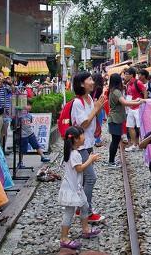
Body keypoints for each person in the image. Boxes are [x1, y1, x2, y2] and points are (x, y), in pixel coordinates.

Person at [70, 71, 107, 223]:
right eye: (89, 79)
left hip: (88, 143)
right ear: (81, 84)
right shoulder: (78, 102)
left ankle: (81, 209)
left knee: (85, 180)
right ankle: (86, 211)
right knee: (91, 178)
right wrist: (96, 109)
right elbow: (83, 123)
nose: (93, 82)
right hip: (80, 147)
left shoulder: (90, 98)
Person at [58, 126, 101, 250]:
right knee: (69, 212)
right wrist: (90, 159)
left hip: (75, 186)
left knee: (85, 206)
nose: (84, 137)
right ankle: (64, 238)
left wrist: (90, 160)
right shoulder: (75, 154)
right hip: (71, 188)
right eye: (82, 135)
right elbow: (79, 168)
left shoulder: (70, 151)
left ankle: (85, 228)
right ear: (76, 139)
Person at [106, 73, 143, 168]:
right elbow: (124, 102)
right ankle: (111, 162)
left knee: (116, 140)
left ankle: (112, 161)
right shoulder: (116, 91)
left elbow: (124, 102)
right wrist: (138, 102)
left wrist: (136, 101)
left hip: (115, 119)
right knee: (115, 141)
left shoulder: (113, 90)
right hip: (115, 119)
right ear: (118, 81)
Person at [18, 99, 51, 168]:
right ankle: (20, 162)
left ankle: (43, 157)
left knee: (36, 145)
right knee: (23, 150)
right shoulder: (20, 114)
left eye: (30, 106)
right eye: (28, 105)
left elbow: (30, 122)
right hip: (23, 135)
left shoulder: (29, 115)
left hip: (30, 133)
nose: (30, 107)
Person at [123, 67, 147, 152]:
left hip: (138, 108)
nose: (125, 76)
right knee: (130, 126)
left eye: (126, 74)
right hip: (131, 107)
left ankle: (143, 143)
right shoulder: (128, 84)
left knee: (140, 126)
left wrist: (144, 102)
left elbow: (145, 92)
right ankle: (134, 144)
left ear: (131, 75)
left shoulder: (138, 82)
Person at [0, 71, 13, 151]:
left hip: (6, 111)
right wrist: (0, 82)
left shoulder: (6, 86)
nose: (0, 77)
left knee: (4, 132)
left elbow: (14, 90)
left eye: (1, 76)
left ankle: (2, 148)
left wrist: (10, 83)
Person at [91, 73, 105, 147]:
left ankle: (93, 139)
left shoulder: (91, 87)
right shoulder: (99, 88)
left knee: (92, 123)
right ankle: (97, 140)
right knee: (98, 123)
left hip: (91, 107)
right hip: (98, 107)